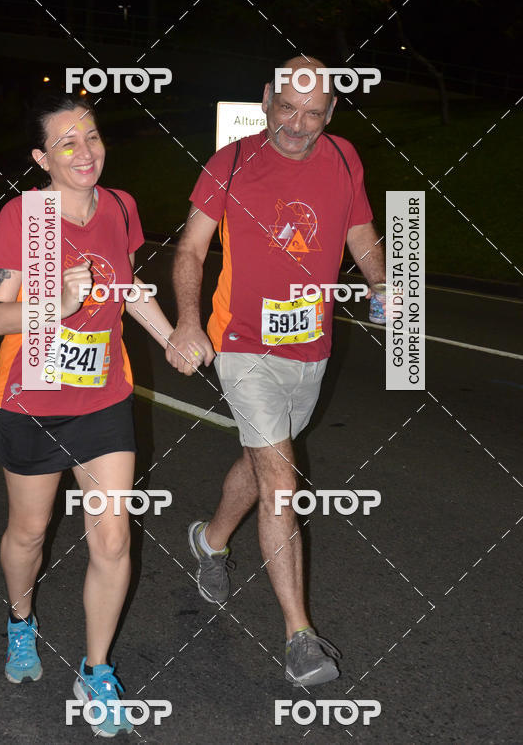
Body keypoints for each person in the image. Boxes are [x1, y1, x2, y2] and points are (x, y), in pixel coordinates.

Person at [166, 56, 386, 687]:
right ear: (267, 97)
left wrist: (380, 283)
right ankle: (299, 637)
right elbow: (190, 248)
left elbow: (360, 228)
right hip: (241, 345)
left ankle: (210, 540)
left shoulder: (343, 158)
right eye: (287, 108)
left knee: (266, 461)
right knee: (282, 480)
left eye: (313, 113)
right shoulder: (231, 161)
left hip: (312, 346)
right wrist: (187, 322)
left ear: (332, 112)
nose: (297, 124)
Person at [0, 94, 192, 737]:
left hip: (103, 398)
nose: (85, 152)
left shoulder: (122, 207)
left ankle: (94, 667)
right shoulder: (25, 217)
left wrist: (170, 336)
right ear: (42, 158)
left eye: (92, 136)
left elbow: (126, 286)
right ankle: (22, 623)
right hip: (33, 400)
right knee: (30, 533)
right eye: (66, 143)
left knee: (113, 537)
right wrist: (57, 305)